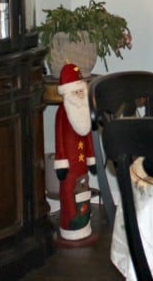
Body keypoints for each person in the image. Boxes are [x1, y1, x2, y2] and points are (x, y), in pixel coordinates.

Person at [54, 63, 97, 241]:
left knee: (83, 190)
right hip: (69, 165)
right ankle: (70, 226)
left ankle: (84, 224)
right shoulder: (62, 112)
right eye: (76, 90)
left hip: (82, 166)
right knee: (69, 192)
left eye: (81, 89)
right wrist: (61, 163)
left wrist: (92, 159)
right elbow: (59, 140)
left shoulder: (83, 112)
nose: (79, 93)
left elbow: (88, 137)